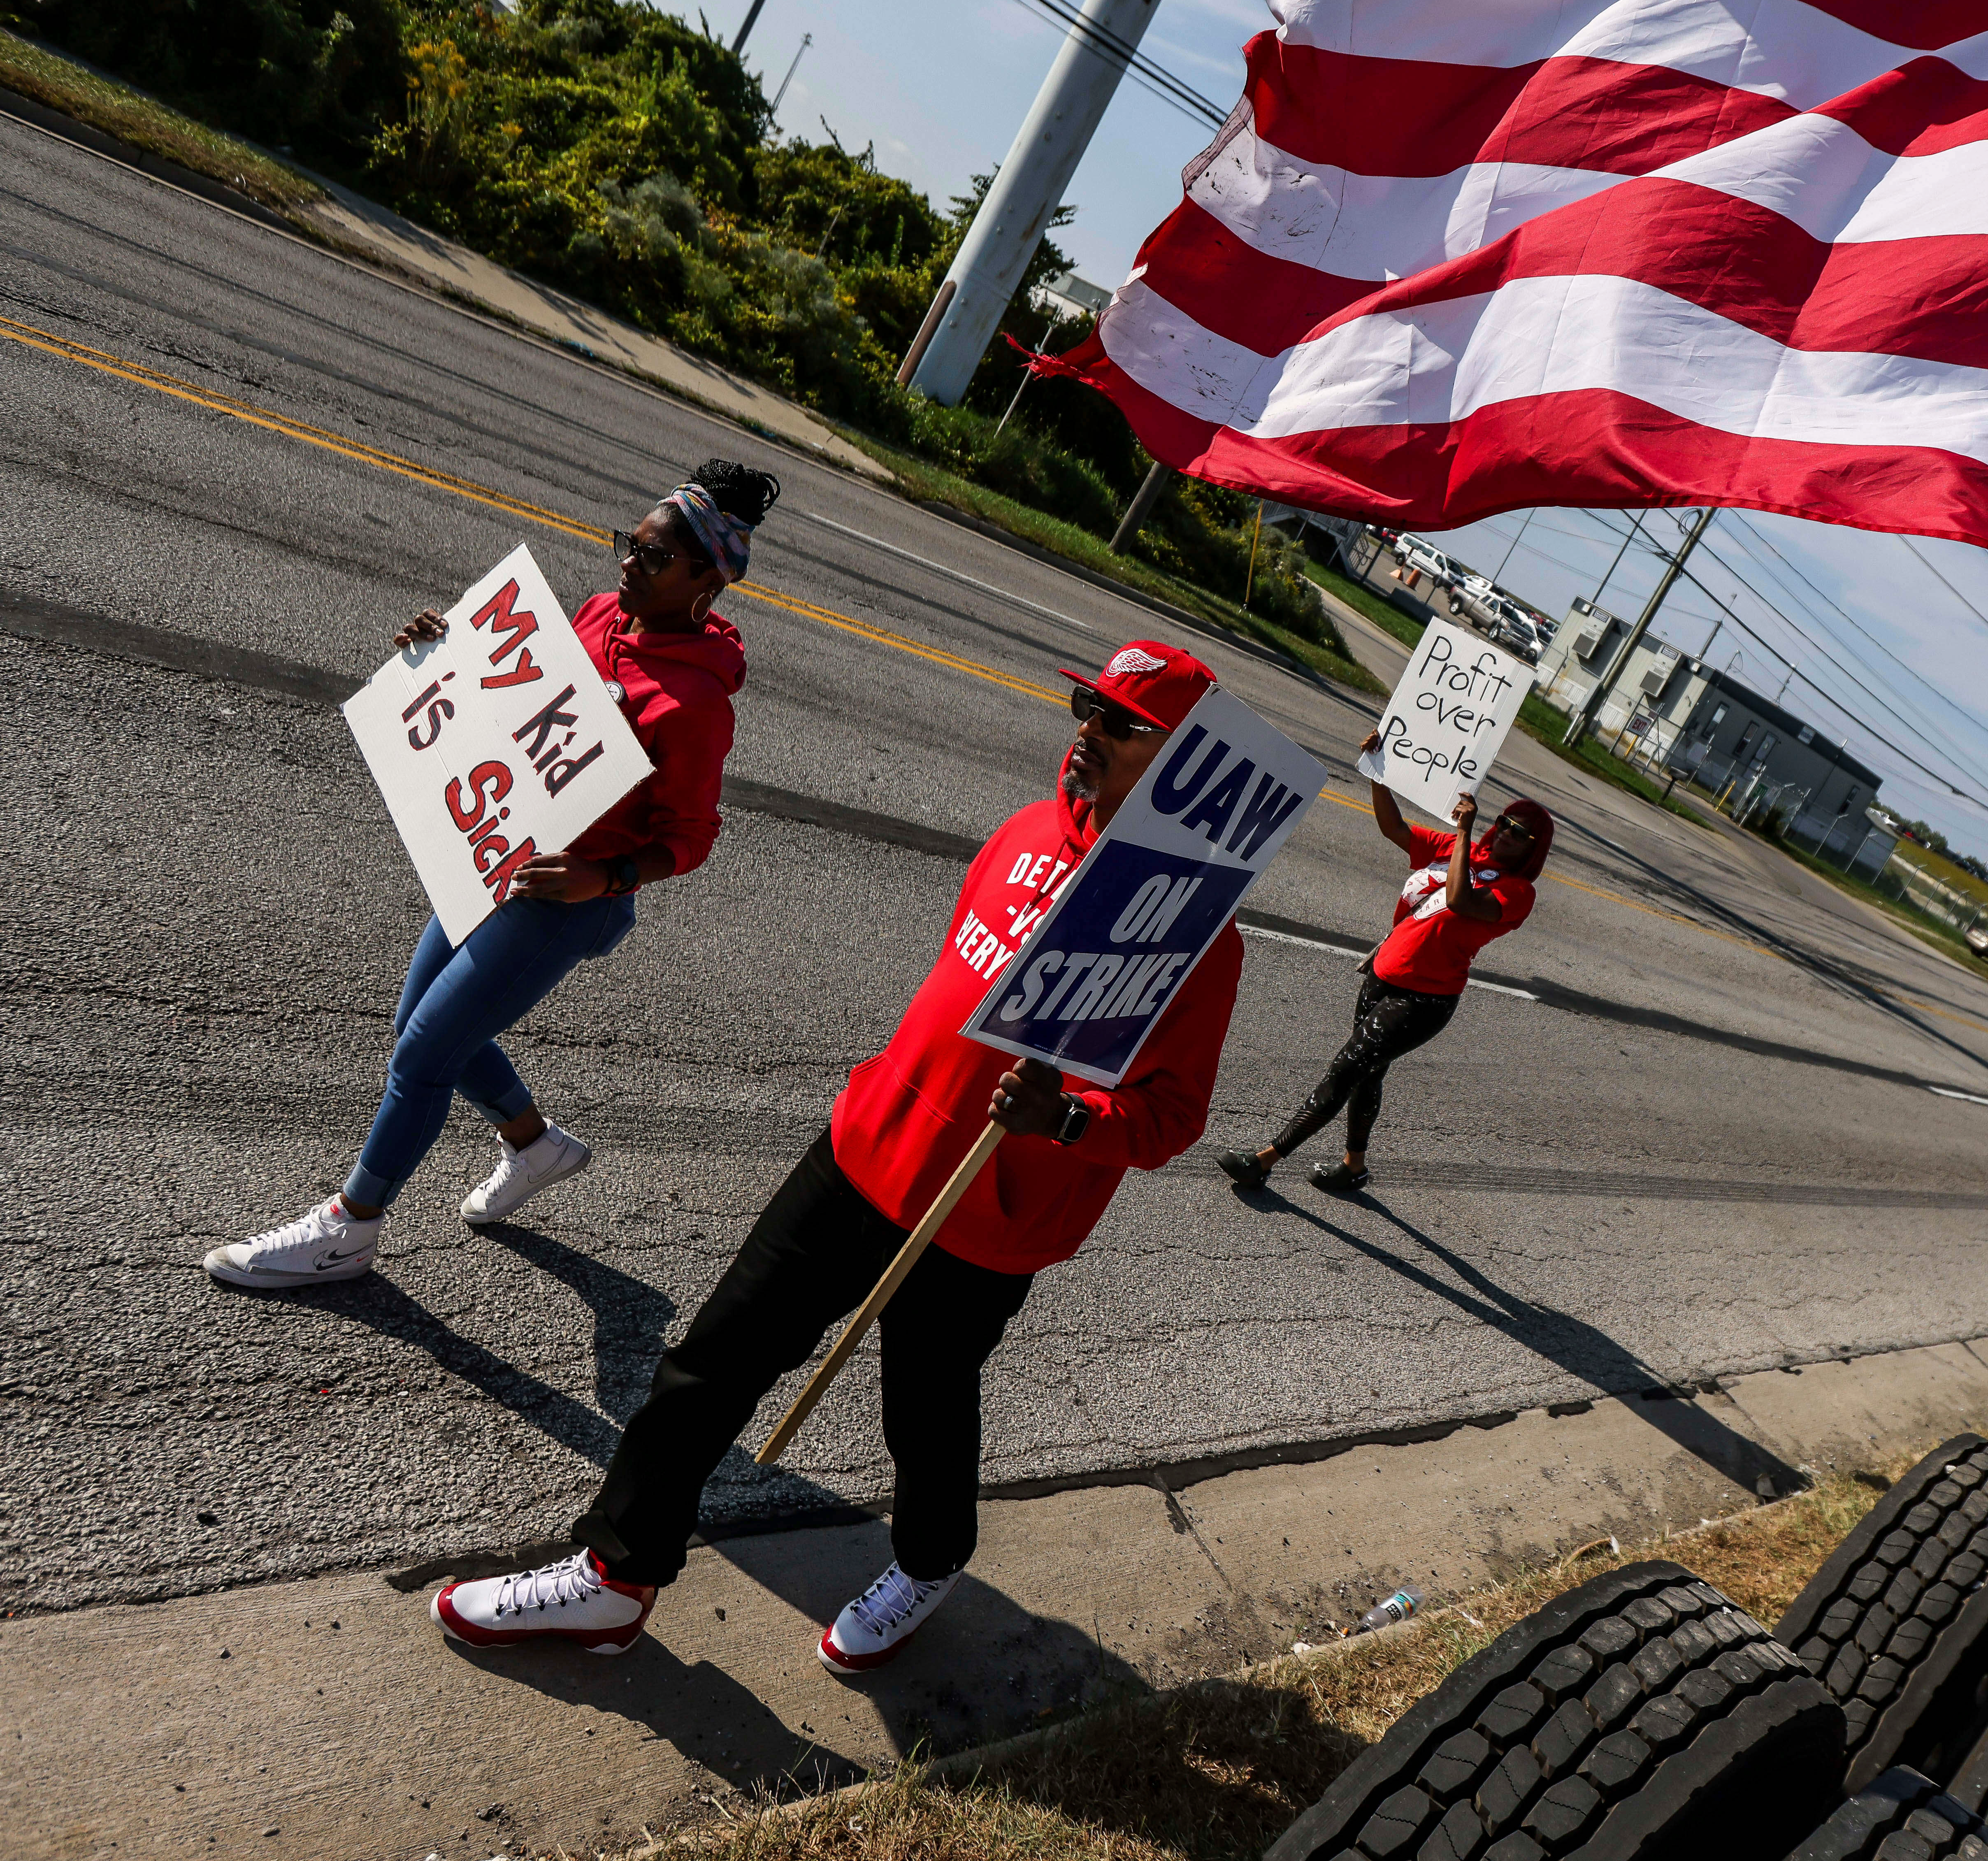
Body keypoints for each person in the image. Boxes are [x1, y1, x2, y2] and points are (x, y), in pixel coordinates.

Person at [429, 643, 1246, 1672]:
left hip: (984, 1215)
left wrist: (1067, 1117)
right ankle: (612, 1578)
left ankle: (930, 1557)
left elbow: (1169, 1118)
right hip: (869, 1149)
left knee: (925, 1408)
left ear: (1182, 766)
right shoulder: (1026, 831)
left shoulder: (1198, 937)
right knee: (710, 1358)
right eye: (1084, 703)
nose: (1083, 728)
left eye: (1119, 722)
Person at [204, 460, 782, 1290]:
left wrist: (605, 876)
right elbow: (520, 704)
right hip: (496, 852)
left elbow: (690, 839)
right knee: (419, 1024)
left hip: (561, 901)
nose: (627, 564)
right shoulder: (599, 614)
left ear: (706, 582)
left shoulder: (695, 706)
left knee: (426, 1055)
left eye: (652, 559)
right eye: (630, 544)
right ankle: (534, 1143)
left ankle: (350, 1228)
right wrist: (446, 657)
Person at [1219, 739, 1551, 1193]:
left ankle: (1264, 1159)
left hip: (1425, 999)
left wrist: (1467, 835)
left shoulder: (1518, 892)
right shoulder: (1455, 848)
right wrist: (1379, 771)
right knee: (1368, 1073)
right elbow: (1393, 827)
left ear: (1533, 848)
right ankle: (1354, 1167)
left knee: (1345, 1069)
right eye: (1506, 822)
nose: (1509, 832)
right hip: (1383, 973)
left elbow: (1458, 899)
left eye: (1521, 832)